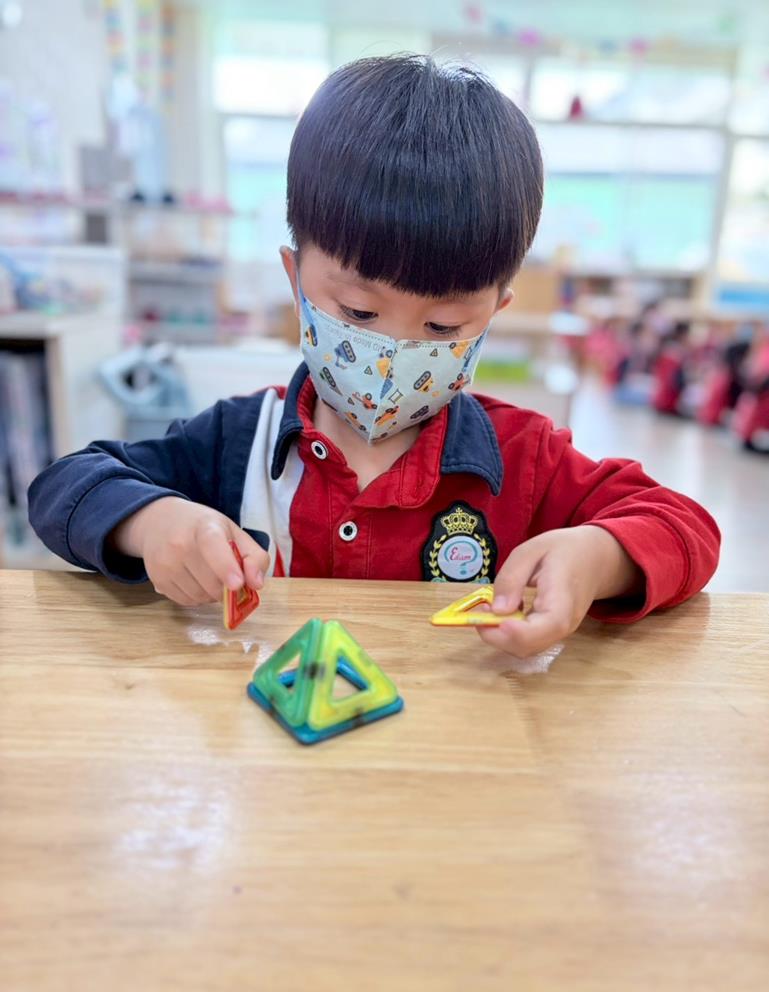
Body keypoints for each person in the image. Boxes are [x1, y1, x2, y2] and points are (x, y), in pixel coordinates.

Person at [28, 55, 720, 659]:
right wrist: (152, 523)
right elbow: (64, 485)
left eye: (443, 324)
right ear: (296, 280)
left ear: (493, 313)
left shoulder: (524, 460)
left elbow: (686, 526)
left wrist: (599, 557)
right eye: (359, 312)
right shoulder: (237, 443)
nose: (394, 353)